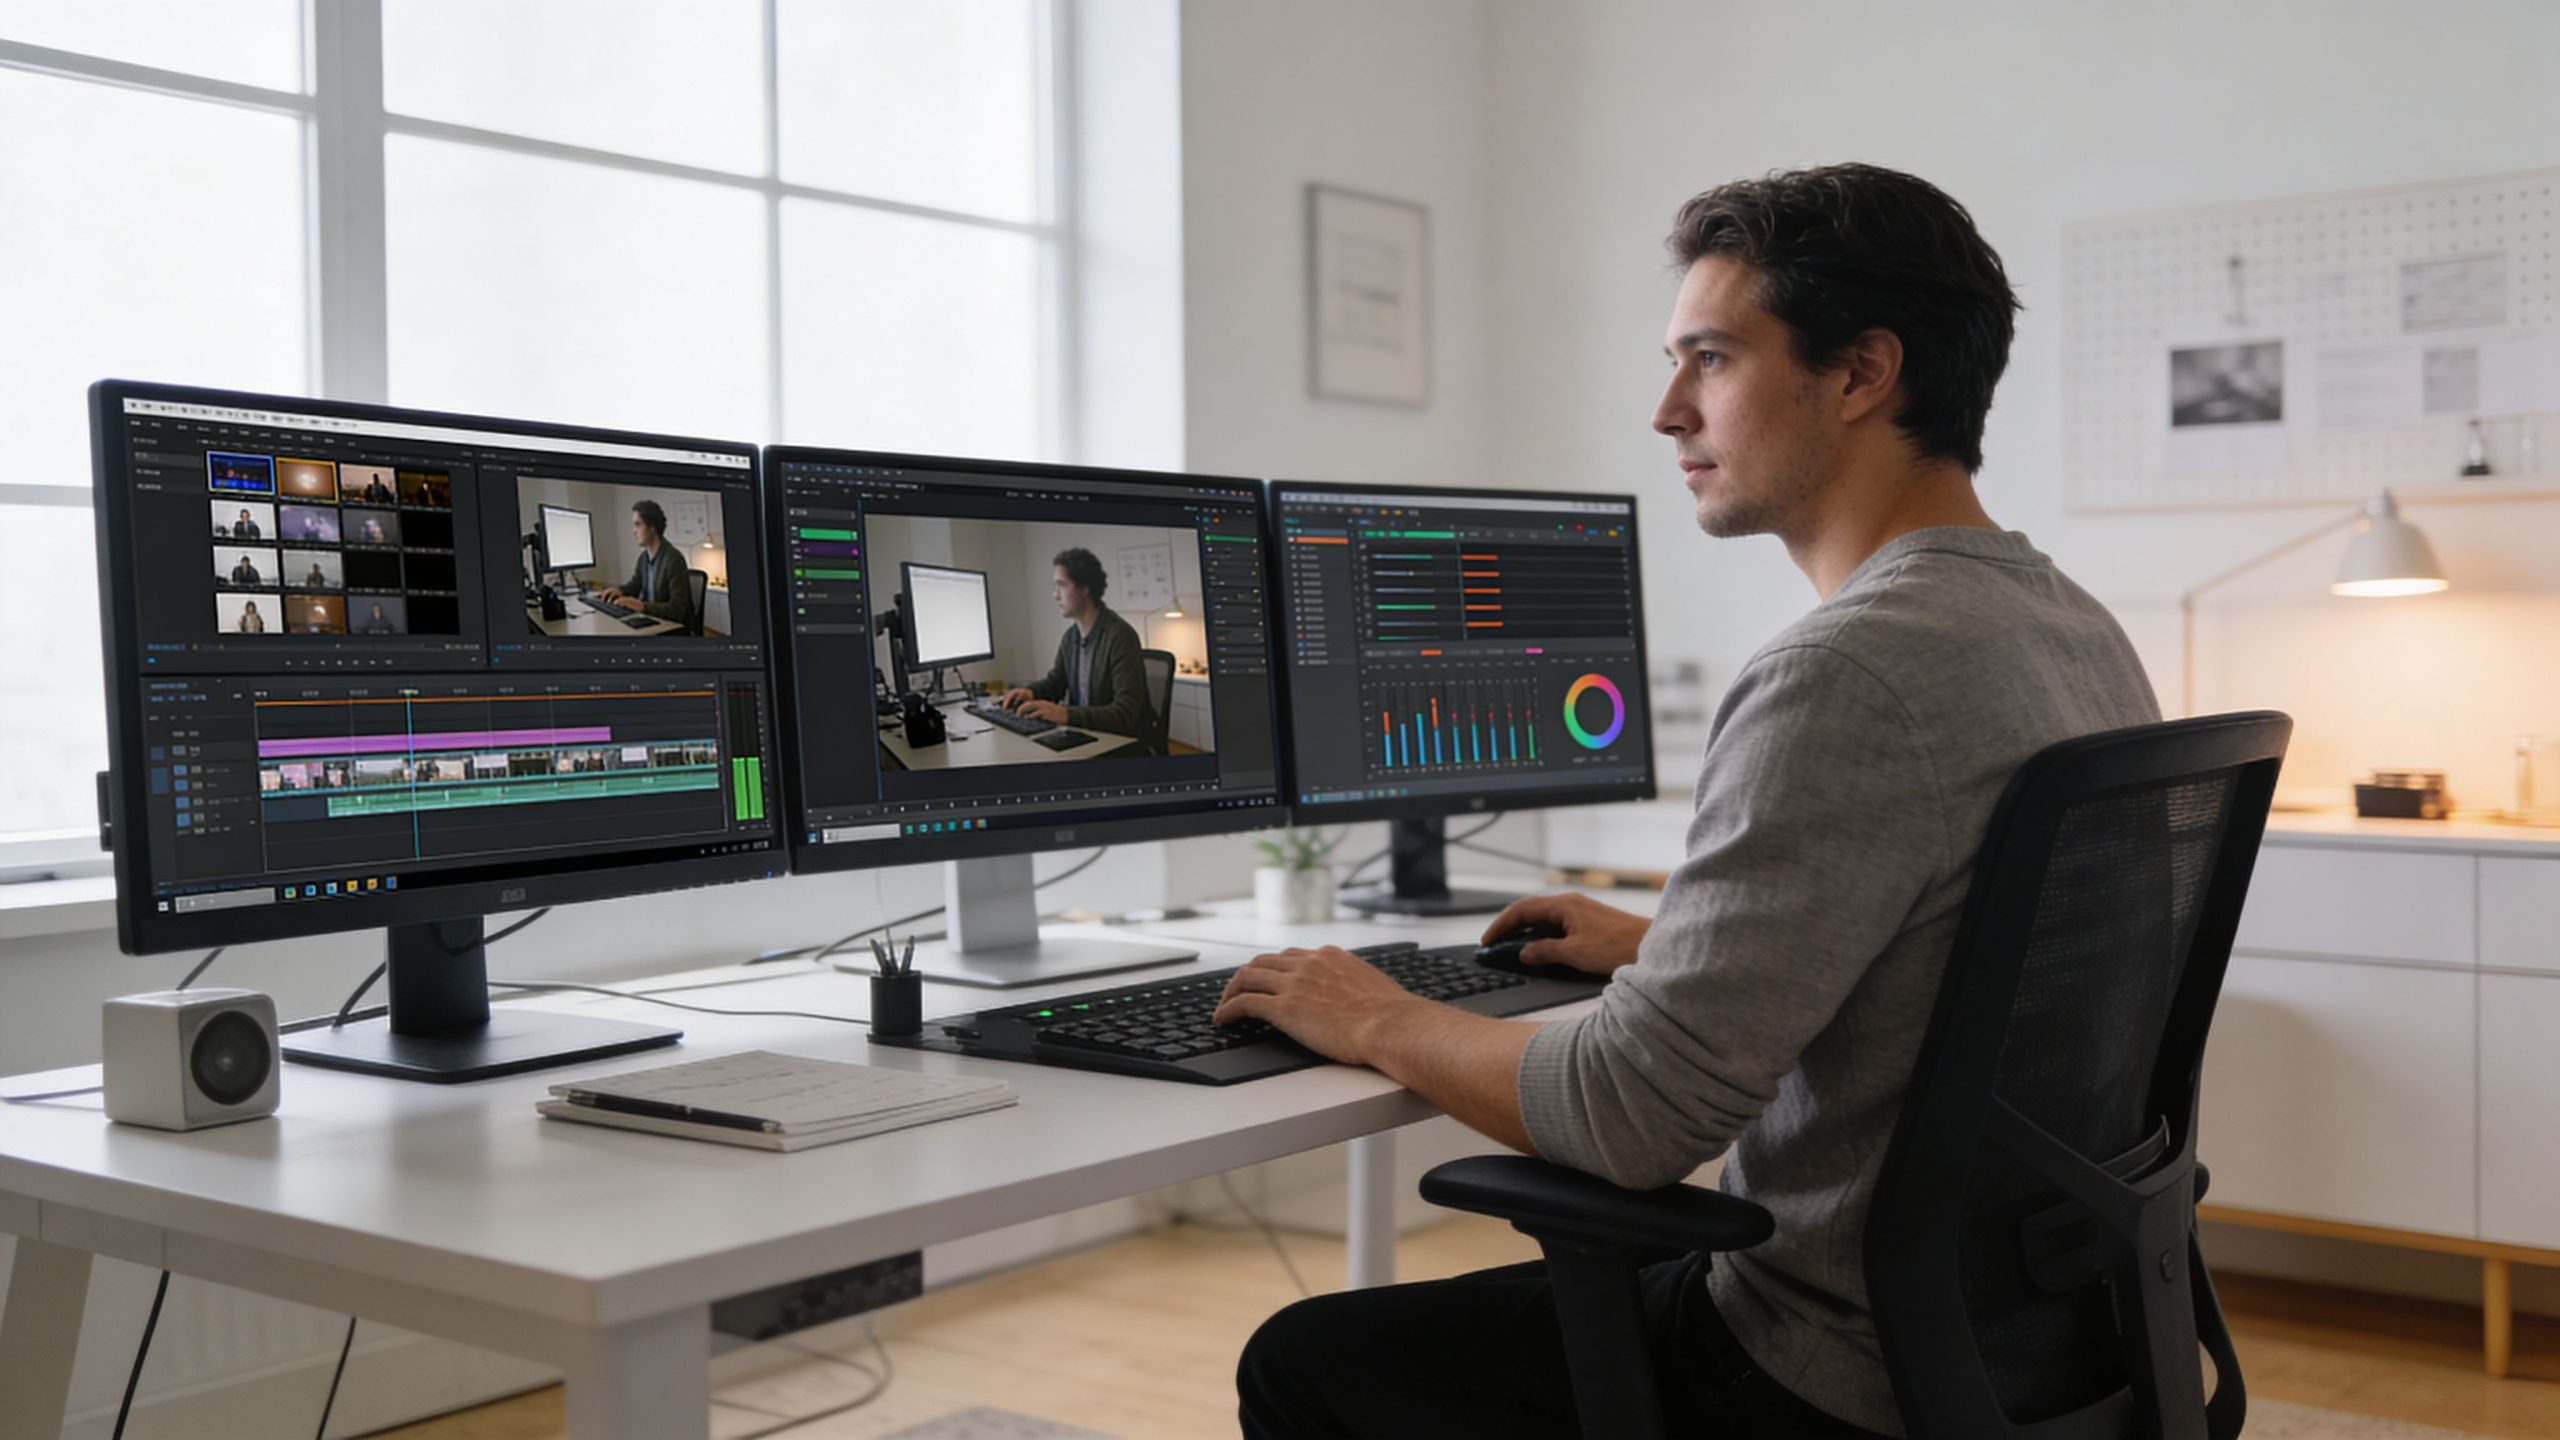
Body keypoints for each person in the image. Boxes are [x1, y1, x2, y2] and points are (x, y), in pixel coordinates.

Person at [1222, 164, 2159, 1439]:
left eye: (1709, 360)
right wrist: (1673, 946)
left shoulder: (1844, 670)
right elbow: (1959, 947)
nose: (1666, 411)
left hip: (1828, 1365)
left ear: (1858, 374)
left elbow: (1627, 1118)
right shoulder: (2062, 625)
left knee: (1305, 1359)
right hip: (2034, 1338)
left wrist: (1375, 1014)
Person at [997, 547, 1151, 739]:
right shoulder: (1071, 637)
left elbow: (1125, 714)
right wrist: (1030, 693)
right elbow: (1056, 684)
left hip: (1120, 743)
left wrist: (1066, 714)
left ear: (1084, 588)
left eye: (1061, 585)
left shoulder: (1120, 636)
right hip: (1086, 735)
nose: (1055, 595)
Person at [595, 498, 697, 631]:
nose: (634, 530)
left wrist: (643, 606)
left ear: (652, 527)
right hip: (653, 621)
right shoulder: (644, 558)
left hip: (672, 629)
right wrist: (618, 591)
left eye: (638, 524)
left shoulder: (673, 559)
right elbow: (635, 585)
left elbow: (679, 610)